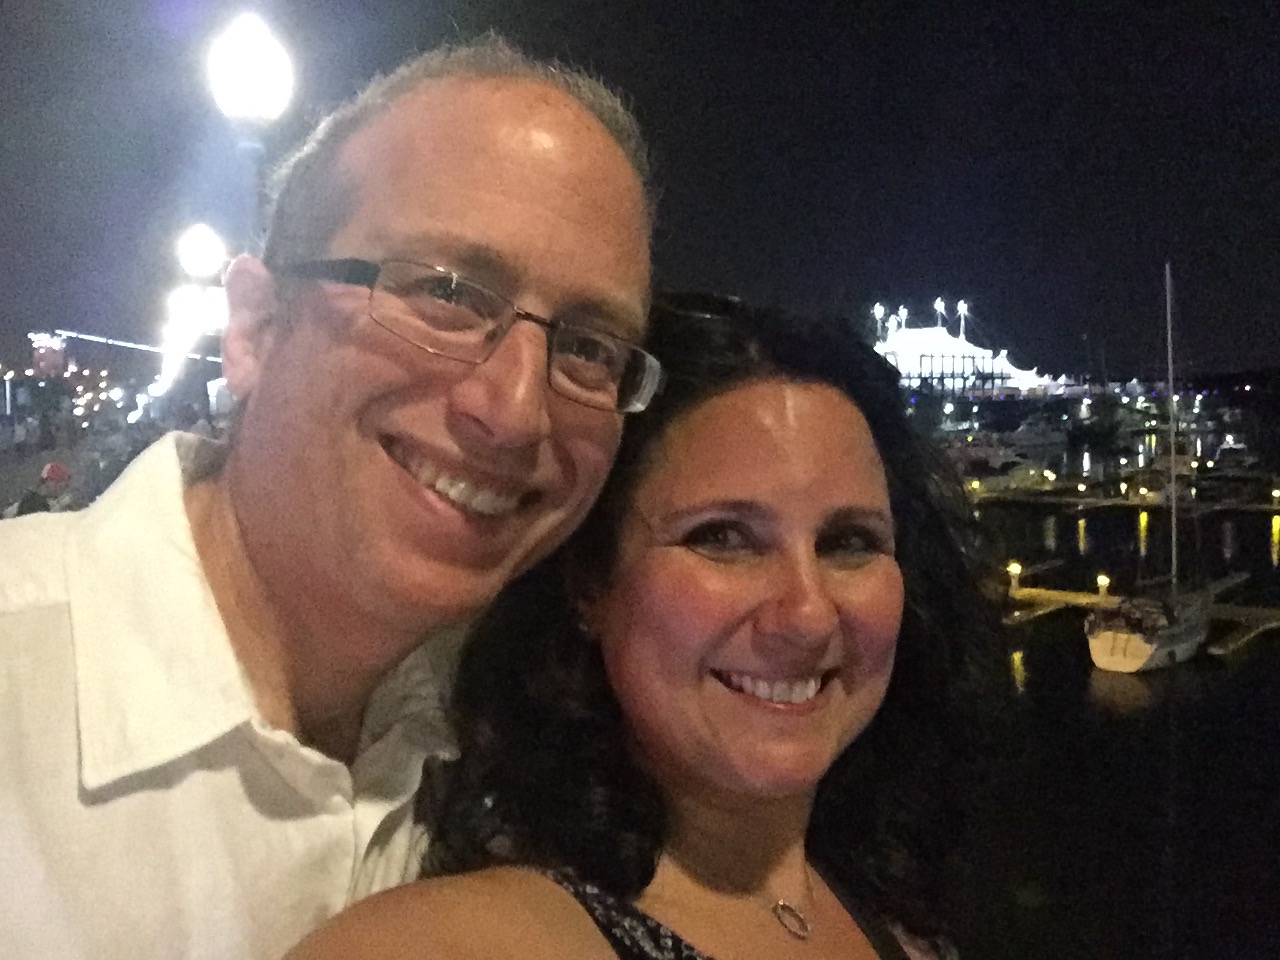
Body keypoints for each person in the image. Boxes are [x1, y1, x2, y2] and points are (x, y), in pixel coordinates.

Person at [0, 35, 658, 960]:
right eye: (447, 293)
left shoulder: (530, 748)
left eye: (588, 347)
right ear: (256, 327)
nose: (515, 412)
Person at [286, 296, 1005, 960]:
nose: (809, 614)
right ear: (590, 582)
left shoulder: (887, 908)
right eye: (723, 537)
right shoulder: (452, 944)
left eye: (849, 542)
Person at [2, 460, 73, 517]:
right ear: (49, 481)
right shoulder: (32, 502)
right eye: (59, 484)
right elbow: (41, 523)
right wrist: (60, 507)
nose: (62, 490)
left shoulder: (27, 500)